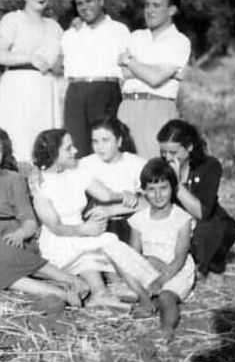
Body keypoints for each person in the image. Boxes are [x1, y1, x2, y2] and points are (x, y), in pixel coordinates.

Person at [0, 125, 89, 307]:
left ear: (4, 153)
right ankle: (58, 292)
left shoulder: (12, 178)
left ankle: (70, 281)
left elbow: (29, 220)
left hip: (9, 235)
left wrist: (21, 234)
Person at [30, 129, 161, 306]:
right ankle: (151, 284)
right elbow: (56, 228)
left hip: (82, 236)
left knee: (98, 250)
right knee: (107, 242)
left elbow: (105, 195)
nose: (75, 151)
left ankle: (105, 293)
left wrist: (124, 195)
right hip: (59, 241)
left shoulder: (76, 170)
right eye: (68, 148)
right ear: (54, 152)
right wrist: (85, 230)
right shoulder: (41, 184)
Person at [0, 0, 63, 163]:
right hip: (19, 86)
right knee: (20, 140)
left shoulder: (54, 27)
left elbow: (61, 61)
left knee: (45, 139)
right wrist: (30, 58)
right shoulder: (12, 20)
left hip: (45, 88)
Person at [122, 158, 196, 338]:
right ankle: (147, 301)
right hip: (150, 267)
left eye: (163, 188)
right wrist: (146, 266)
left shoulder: (182, 219)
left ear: (173, 189)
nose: (158, 195)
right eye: (151, 190)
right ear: (143, 191)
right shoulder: (139, 219)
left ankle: (166, 327)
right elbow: (134, 255)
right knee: (120, 257)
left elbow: (179, 258)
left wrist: (160, 281)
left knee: (166, 297)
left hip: (175, 270)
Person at [157, 119, 235, 280]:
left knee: (219, 228)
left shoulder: (209, 166)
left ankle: (206, 263)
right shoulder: (160, 166)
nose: (167, 158)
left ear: (189, 147)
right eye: (163, 152)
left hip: (203, 222)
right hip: (175, 224)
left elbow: (203, 212)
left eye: (173, 153)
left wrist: (177, 185)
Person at [117, 0, 191, 158]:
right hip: (126, 107)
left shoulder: (179, 41)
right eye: (147, 5)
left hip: (158, 108)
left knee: (152, 168)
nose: (150, 11)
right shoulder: (135, 37)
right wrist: (149, 69)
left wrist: (131, 62)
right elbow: (123, 73)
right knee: (122, 168)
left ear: (172, 10)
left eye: (156, 6)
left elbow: (155, 79)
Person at [61, 0, 130, 157]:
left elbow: (128, 68)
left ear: (101, 1)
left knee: (105, 150)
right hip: (76, 93)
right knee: (76, 151)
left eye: (89, 1)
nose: (85, 7)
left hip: (106, 91)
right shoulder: (70, 34)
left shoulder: (119, 31)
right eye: (80, 3)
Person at [78, 116, 146, 243]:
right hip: (98, 225)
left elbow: (150, 202)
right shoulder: (85, 164)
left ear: (119, 141)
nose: (99, 147)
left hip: (132, 226)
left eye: (105, 140)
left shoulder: (137, 164)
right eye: (95, 141)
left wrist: (111, 210)